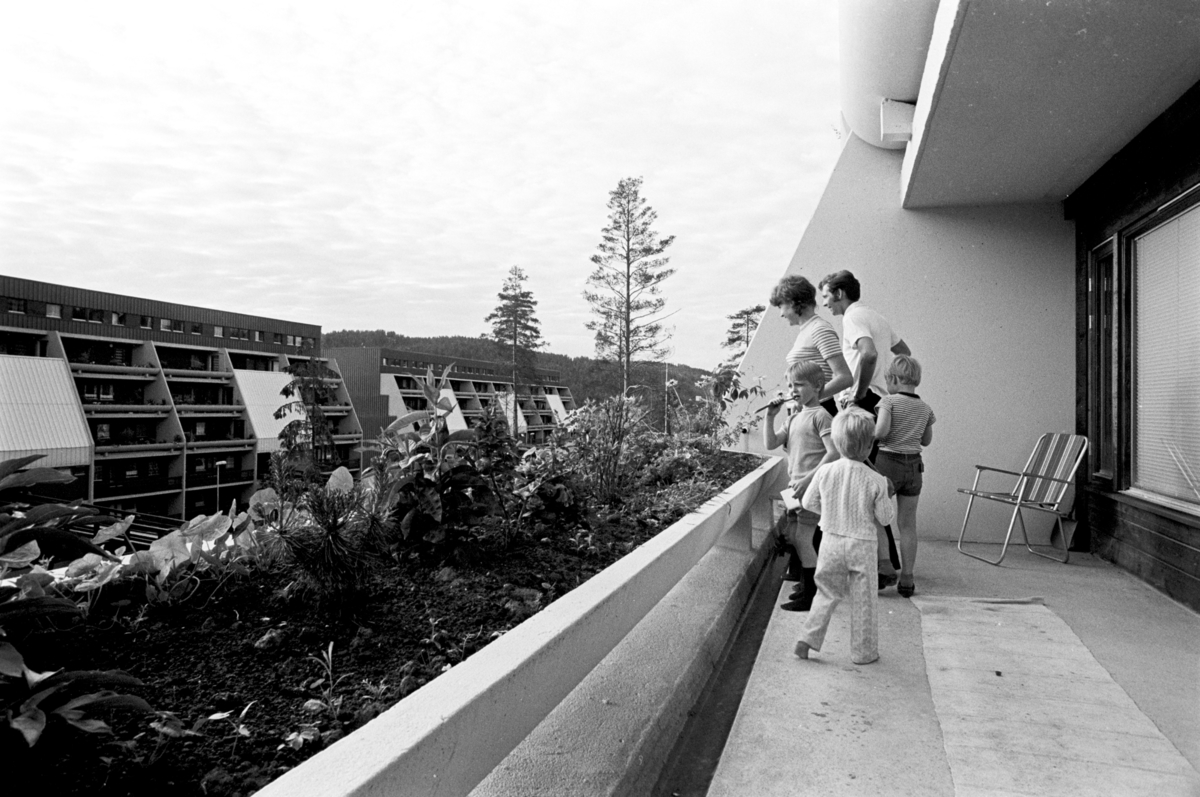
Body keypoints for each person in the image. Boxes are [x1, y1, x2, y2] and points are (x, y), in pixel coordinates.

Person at [819, 269, 909, 587]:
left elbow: (868, 353)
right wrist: (892, 389)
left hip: (863, 402)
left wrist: (857, 394)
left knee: (859, 483)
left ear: (840, 294)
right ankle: (884, 563)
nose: (826, 303)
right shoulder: (877, 317)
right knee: (866, 481)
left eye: (828, 296)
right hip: (877, 400)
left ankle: (879, 564)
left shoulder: (853, 318)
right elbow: (904, 354)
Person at [795, 409, 894, 665]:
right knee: (864, 600)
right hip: (862, 544)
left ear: (837, 442)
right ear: (870, 444)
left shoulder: (825, 471)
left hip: (830, 541)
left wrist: (829, 514)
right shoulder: (876, 479)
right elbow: (884, 518)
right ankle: (863, 653)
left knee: (826, 592)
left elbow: (808, 502)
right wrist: (887, 495)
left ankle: (807, 640)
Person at [763, 361, 839, 611]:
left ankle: (812, 595)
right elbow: (771, 443)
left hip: (810, 489)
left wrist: (809, 480)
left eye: (798, 384)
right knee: (794, 535)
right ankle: (807, 587)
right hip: (795, 488)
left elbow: (834, 452)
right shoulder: (795, 417)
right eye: (789, 385)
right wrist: (770, 417)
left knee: (804, 538)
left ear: (817, 386)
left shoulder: (821, 416)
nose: (792, 389)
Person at [874, 355, 935, 598]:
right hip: (914, 467)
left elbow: (881, 432)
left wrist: (867, 431)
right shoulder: (925, 408)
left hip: (887, 464)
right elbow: (926, 441)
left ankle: (885, 564)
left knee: (875, 516)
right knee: (908, 524)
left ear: (895, 379)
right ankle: (907, 578)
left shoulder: (888, 402)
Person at [768, 275, 853, 416]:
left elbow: (845, 377)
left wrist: (809, 398)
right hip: (809, 411)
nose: (781, 314)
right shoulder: (806, 330)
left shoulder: (819, 329)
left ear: (793, 301)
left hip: (820, 411)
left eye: (780, 306)